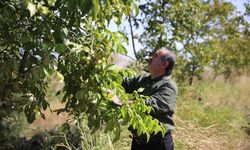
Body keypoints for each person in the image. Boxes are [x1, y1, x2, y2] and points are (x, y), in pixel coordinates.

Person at [111, 47, 178, 150]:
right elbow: (123, 82)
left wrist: (121, 102)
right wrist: (107, 72)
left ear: (164, 65)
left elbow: (151, 104)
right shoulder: (143, 78)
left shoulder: (169, 86)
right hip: (138, 142)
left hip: (158, 144)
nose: (150, 58)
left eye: (155, 56)